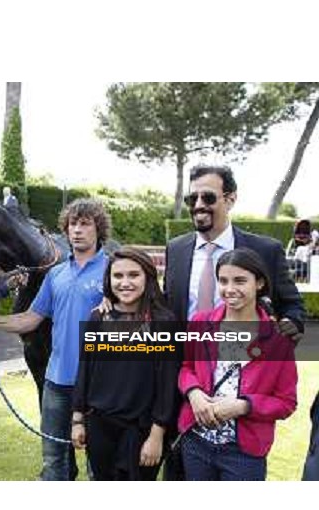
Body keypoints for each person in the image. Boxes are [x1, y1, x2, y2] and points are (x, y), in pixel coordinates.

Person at [163, 164, 305, 479]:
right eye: (192, 198)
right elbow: (164, 307)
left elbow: (293, 307)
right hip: (184, 377)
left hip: (243, 391)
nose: (199, 204)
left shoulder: (264, 250)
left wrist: (276, 340)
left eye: (208, 197)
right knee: (178, 470)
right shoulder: (177, 248)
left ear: (230, 198)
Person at [0, 198, 112, 481]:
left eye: (85, 224)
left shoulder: (114, 271)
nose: (77, 230)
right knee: (53, 463)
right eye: (73, 224)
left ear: (99, 229)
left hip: (99, 384)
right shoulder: (55, 274)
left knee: (100, 465)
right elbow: (31, 318)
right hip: (56, 384)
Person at [177, 248, 297, 481]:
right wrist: (194, 393)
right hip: (196, 443)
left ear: (259, 283)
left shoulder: (278, 341)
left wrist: (243, 406)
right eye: (223, 281)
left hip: (244, 453)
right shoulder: (200, 322)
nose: (229, 289)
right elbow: (186, 368)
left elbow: (286, 402)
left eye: (240, 281)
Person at [72, 247, 178, 481]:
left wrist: (157, 435)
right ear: (108, 280)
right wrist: (78, 420)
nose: (125, 282)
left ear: (148, 277)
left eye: (133, 275)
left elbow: (167, 384)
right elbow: (85, 372)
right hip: (100, 427)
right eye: (118, 276)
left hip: (143, 431)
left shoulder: (163, 321)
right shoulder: (98, 318)